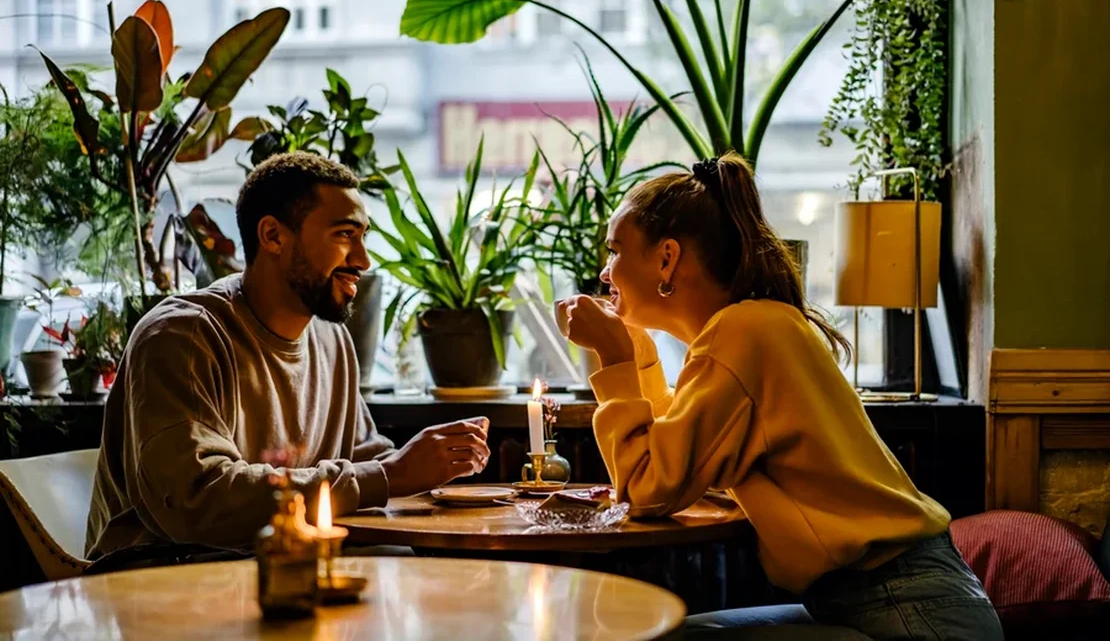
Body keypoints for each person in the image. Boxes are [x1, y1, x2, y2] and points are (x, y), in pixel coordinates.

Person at [556, 153, 1003, 640]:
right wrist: (639, 357)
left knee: (660, 635)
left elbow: (646, 490)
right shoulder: (757, 324)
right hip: (890, 597)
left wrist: (615, 359)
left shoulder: (742, 333)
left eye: (615, 250)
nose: (605, 272)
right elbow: (683, 462)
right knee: (671, 632)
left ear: (667, 258)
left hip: (908, 610)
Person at [86, 152, 489, 567]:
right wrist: (391, 476)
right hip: (162, 580)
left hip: (285, 563)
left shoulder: (331, 339)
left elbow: (365, 463)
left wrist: (433, 469)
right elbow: (198, 500)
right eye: (344, 235)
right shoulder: (182, 336)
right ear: (273, 236)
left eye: (363, 236)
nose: (363, 260)